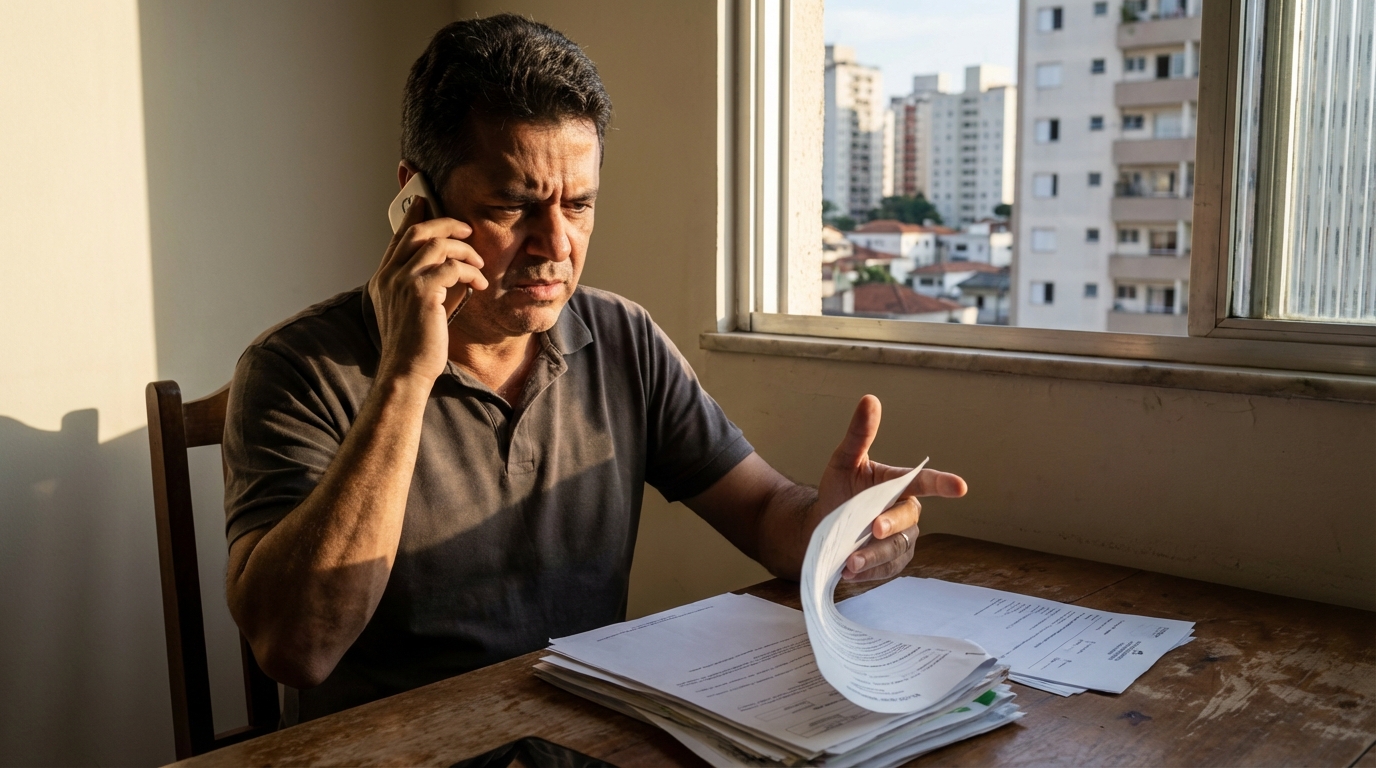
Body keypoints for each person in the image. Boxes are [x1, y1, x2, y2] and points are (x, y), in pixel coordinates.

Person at [221, 14, 967, 723]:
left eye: (579, 205)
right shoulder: (293, 369)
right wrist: (405, 377)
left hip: (583, 736)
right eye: (515, 205)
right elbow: (297, 650)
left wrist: (841, 533)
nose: (556, 245)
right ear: (416, 202)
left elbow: (768, 514)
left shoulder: (620, 337)